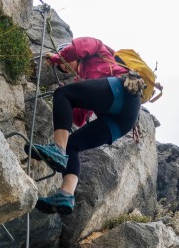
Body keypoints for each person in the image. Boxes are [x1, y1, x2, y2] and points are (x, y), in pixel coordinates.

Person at [26, 37, 144, 215]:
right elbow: (80, 119)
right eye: (61, 68)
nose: (63, 67)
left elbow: (84, 46)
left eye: (65, 63)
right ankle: (66, 194)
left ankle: (57, 149)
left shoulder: (95, 53)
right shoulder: (85, 82)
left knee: (62, 94)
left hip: (123, 90)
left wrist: (58, 57)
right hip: (122, 121)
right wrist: (71, 95)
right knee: (72, 144)